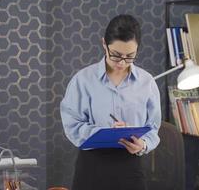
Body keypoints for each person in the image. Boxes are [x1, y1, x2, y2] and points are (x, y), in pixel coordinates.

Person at [60, 14, 161, 190]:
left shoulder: (147, 82)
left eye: (130, 56)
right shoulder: (83, 80)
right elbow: (72, 125)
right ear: (104, 45)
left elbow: (153, 127)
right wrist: (104, 133)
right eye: (116, 55)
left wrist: (142, 144)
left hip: (131, 167)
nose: (122, 63)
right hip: (92, 167)